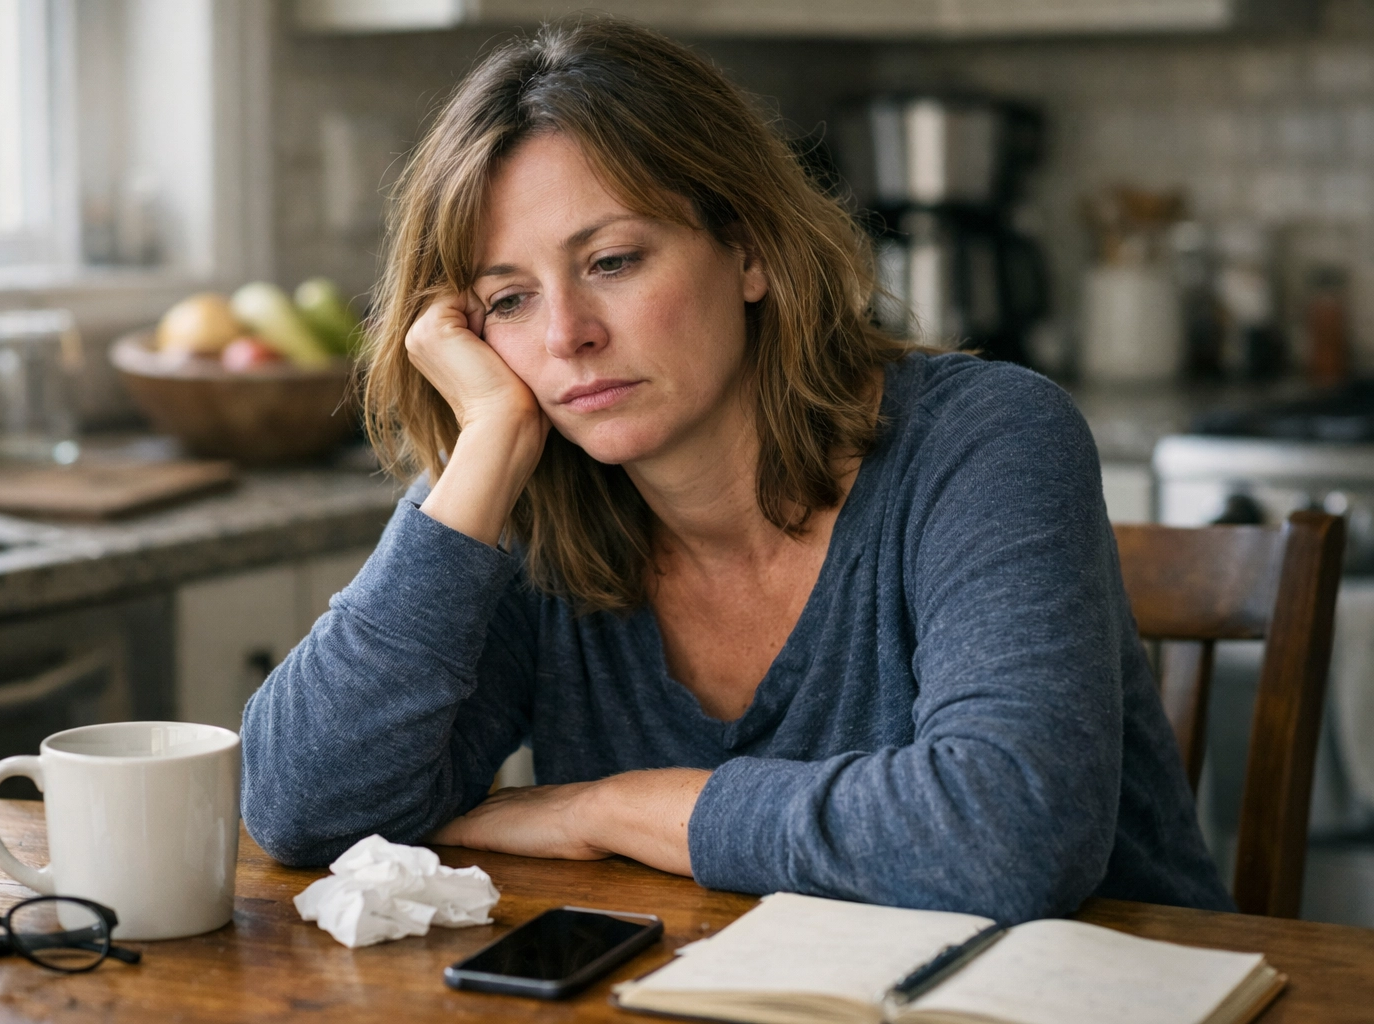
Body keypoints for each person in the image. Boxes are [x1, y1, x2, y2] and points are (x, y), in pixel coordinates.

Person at [240, 16, 1231, 924]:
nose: (567, 337)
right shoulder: (529, 494)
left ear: (747, 247)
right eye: (506, 300)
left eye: (614, 261)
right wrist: (485, 443)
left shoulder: (989, 441)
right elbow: (301, 810)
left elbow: (1009, 839)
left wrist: (610, 808)